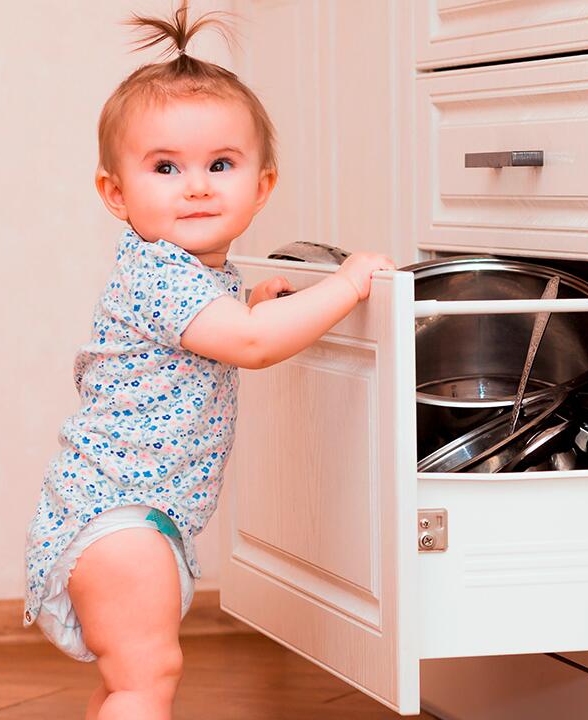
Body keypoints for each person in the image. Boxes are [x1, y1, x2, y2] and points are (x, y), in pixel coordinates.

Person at [22, 3, 395, 718]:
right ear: (115, 192)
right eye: (166, 167)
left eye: (220, 164)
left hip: (136, 514)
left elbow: (227, 333)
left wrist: (255, 301)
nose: (196, 185)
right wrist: (348, 286)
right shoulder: (161, 272)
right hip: (119, 518)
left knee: (135, 679)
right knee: (147, 676)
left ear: (262, 186)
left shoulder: (191, 272)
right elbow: (250, 345)